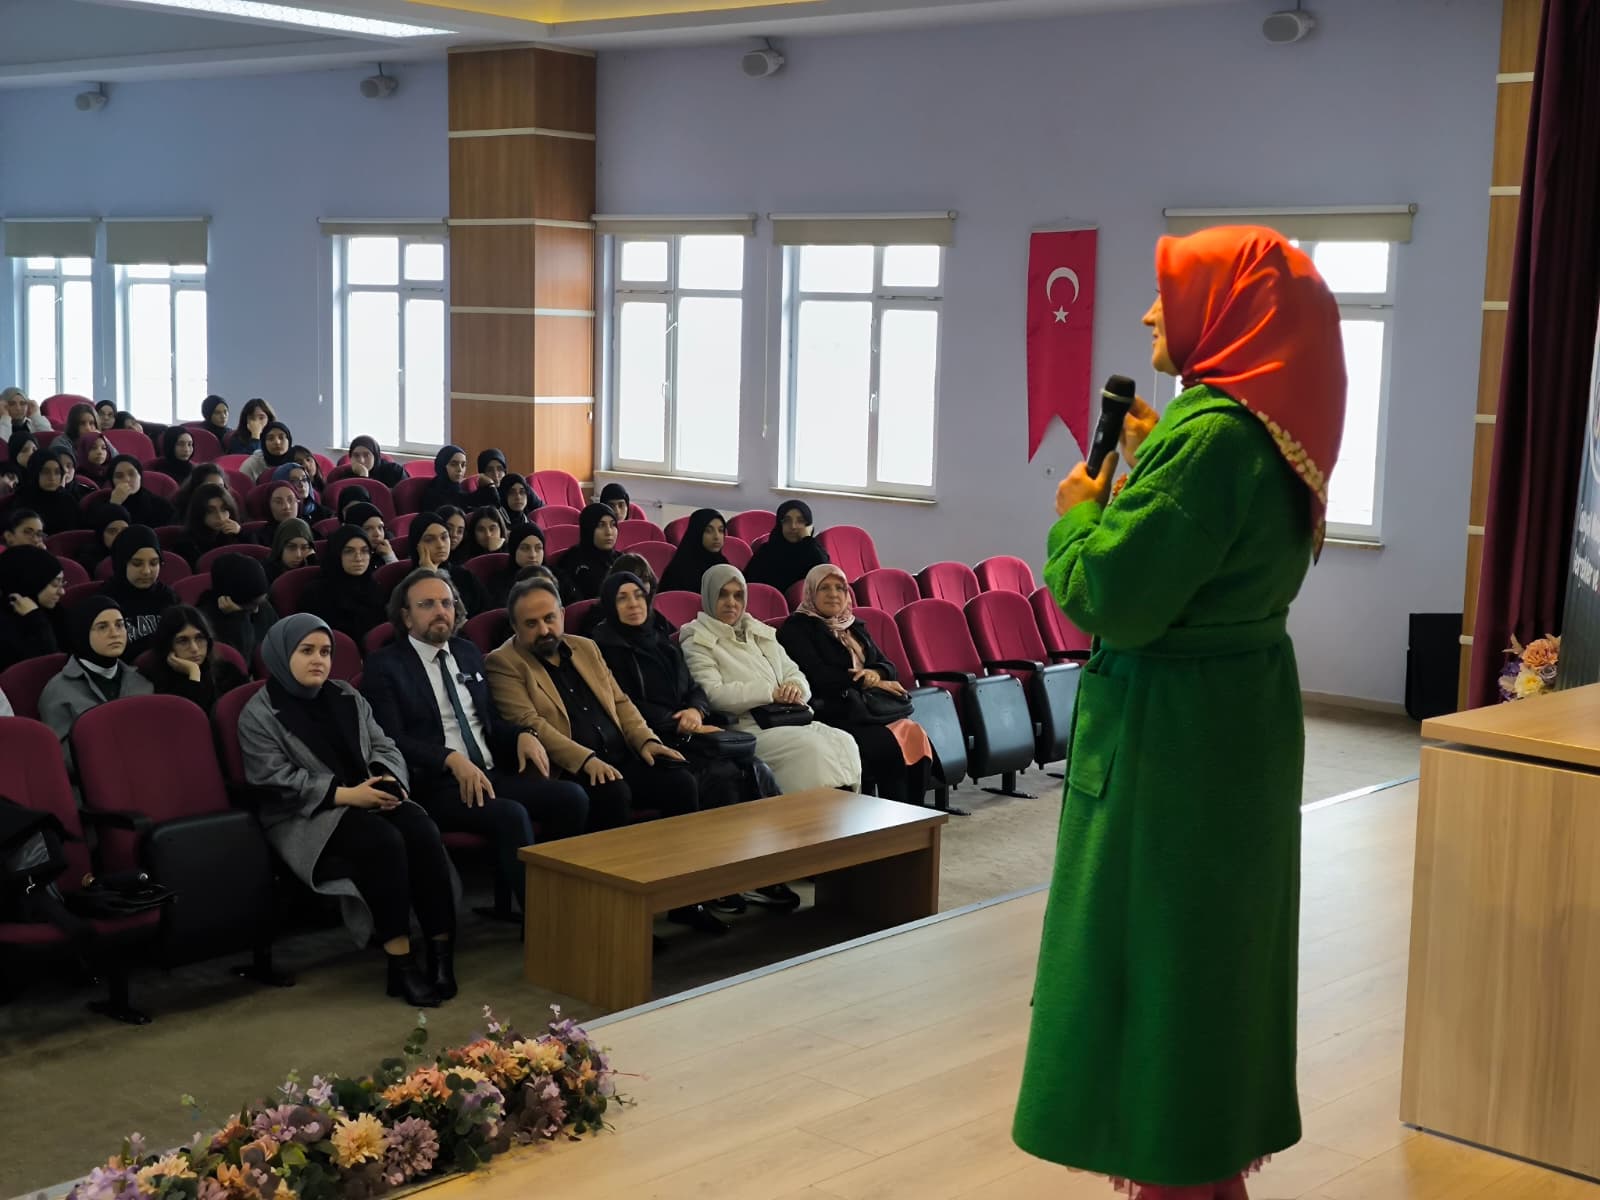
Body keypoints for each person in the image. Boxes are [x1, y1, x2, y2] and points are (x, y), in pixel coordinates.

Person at [1011, 228, 1346, 1200]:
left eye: (1173, 292)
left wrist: (1077, 513)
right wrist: (1153, 463)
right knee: (1213, 957)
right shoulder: (1270, 426)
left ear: (1229, 311)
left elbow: (1111, 593)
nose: (1152, 311)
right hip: (1237, 718)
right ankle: (1207, 1166)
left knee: (1153, 961)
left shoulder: (1211, 437)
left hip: (1170, 737)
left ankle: (1175, 1172)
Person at [238, 613, 457, 1006]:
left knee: (421, 829)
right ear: (281, 654)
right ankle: (401, 963)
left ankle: (441, 954)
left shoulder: (345, 694)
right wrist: (346, 795)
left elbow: (384, 744)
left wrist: (388, 778)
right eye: (306, 651)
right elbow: (274, 780)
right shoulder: (258, 714)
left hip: (366, 795)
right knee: (383, 841)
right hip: (306, 815)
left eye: (325, 652)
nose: (318, 660)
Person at [485, 576, 724, 932]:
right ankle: (617, 916)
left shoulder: (586, 647)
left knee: (680, 781)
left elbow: (621, 703)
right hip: (569, 768)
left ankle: (684, 899)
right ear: (515, 626)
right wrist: (585, 760)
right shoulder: (503, 663)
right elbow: (530, 723)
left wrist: (646, 741)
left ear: (562, 614)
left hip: (619, 754)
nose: (544, 630)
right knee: (613, 793)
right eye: (531, 624)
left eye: (549, 618)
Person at [362, 569, 590, 917]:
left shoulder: (467, 652)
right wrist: (450, 759)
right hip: (436, 785)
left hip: (490, 773)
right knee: (510, 815)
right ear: (405, 616)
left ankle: (562, 896)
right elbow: (391, 739)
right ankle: (544, 920)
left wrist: (522, 735)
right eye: (427, 604)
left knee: (571, 797)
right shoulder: (385, 665)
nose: (440, 611)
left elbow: (491, 721)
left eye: (446, 603)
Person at [593, 572, 782, 916]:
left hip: (689, 730)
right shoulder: (604, 648)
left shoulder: (660, 638)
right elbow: (624, 705)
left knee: (753, 767)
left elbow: (695, 687)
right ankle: (713, 880)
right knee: (721, 776)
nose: (634, 604)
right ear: (609, 604)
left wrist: (696, 710)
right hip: (650, 740)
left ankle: (762, 868)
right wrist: (678, 721)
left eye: (638, 595)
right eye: (623, 598)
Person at [680, 564, 862, 795]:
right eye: (722, 595)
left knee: (845, 741)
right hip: (746, 726)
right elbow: (712, 694)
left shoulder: (759, 631)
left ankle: (841, 810)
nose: (731, 603)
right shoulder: (697, 639)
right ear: (708, 596)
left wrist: (795, 688)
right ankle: (809, 815)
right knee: (812, 749)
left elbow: (794, 672)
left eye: (738, 595)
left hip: (787, 717)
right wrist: (770, 692)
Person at [779, 564, 933, 806]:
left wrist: (875, 673)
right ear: (810, 593)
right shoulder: (796, 629)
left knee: (914, 733)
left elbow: (889, 666)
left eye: (840, 588)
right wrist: (869, 682)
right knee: (888, 743)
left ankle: (916, 812)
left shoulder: (853, 625)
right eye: (824, 588)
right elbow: (818, 676)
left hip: (868, 708)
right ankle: (896, 816)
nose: (833, 594)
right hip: (834, 710)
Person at [39, 596, 155, 781]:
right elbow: (64, 760)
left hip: (148, 777)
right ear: (82, 632)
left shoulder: (142, 681)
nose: (115, 634)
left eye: (120, 625)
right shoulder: (58, 690)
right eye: (102, 627)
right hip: (95, 786)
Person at [140, 605, 246, 713]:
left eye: (199, 638)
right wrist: (194, 672)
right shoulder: (154, 681)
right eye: (183, 641)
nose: (194, 648)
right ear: (167, 645)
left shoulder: (227, 672)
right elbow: (191, 718)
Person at [101, 524, 179, 659]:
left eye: (154, 563)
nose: (146, 571)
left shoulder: (168, 597)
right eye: (137, 564)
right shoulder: (105, 601)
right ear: (121, 563)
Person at [300, 526, 386, 644]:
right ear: (336, 554)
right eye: (349, 551)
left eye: (364, 551)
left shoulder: (374, 588)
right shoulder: (315, 594)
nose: (358, 558)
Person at [198, 553, 278, 664]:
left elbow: (280, 641)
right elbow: (242, 663)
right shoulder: (206, 620)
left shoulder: (262, 605)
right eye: (252, 604)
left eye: (261, 601)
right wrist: (239, 618)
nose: (256, 610)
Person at [0, 545, 67, 671]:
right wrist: (36, 619)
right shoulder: (5, 630)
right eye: (55, 584)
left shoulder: (55, 611)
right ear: (30, 583)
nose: (62, 592)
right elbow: (51, 666)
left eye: (62, 583)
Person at [410, 511, 488, 617]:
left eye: (444, 537)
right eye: (429, 540)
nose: (440, 545)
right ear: (416, 546)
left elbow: (486, 614)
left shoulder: (465, 576)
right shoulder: (409, 585)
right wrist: (429, 575)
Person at [743, 500, 828, 593]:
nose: (793, 526)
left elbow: (825, 573)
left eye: (800, 521)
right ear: (780, 525)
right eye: (787, 521)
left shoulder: (813, 551)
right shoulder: (766, 553)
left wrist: (807, 540)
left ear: (809, 526)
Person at [658, 508, 731, 594]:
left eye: (721, 530)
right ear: (696, 533)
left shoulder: (724, 565)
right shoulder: (678, 570)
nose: (717, 536)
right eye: (708, 531)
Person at [13, 452, 86, 535]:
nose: (52, 477)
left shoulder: (67, 499)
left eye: (57, 472)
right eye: (45, 472)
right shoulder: (23, 501)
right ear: (35, 472)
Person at [560, 502, 620, 601]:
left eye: (613, 524)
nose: (609, 532)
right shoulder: (572, 560)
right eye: (601, 525)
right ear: (588, 529)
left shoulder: (622, 559)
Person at [176, 483, 246, 566]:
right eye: (210, 511)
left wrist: (241, 534)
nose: (220, 517)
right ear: (199, 513)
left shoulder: (237, 533)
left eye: (224, 509)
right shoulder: (185, 543)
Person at [105, 456, 175, 528]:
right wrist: (114, 505)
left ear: (140, 476)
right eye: (119, 476)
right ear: (112, 481)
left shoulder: (162, 506)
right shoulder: (102, 501)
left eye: (132, 474)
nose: (127, 479)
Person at [486, 524, 545, 608]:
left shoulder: (555, 576)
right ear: (514, 551)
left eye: (538, 548)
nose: (533, 555)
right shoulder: (499, 583)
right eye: (525, 548)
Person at [77, 502, 130, 574]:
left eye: (124, 531)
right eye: (112, 531)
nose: (120, 536)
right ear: (100, 534)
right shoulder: (88, 560)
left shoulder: (136, 551)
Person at [419, 445, 471, 515]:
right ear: (442, 466)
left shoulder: (461, 490)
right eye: (453, 464)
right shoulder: (432, 496)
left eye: (463, 465)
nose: (460, 469)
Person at [266, 517, 316, 582]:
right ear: (280, 547)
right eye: (291, 547)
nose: (298, 555)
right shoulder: (265, 573)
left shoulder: (311, 564)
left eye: (304, 547)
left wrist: (313, 563)